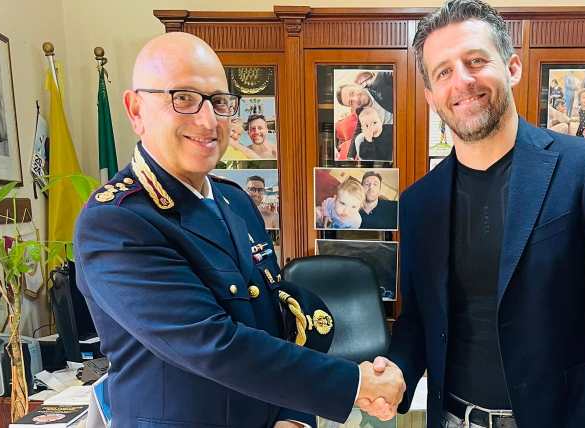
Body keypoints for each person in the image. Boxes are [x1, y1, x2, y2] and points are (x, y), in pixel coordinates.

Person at [73, 32, 405, 428]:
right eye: (183, 98)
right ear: (136, 110)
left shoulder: (236, 201)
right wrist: (355, 383)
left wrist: (294, 417)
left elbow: (279, 320)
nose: (208, 121)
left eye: (219, 102)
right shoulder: (116, 222)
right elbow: (212, 344)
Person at [359, 1, 585, 427]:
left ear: (512, 67)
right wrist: (398, 371)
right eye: (443, 72)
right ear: (430, 97)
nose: (462, 81)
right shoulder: (420, 202)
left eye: (476, 61)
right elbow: (419, 319)